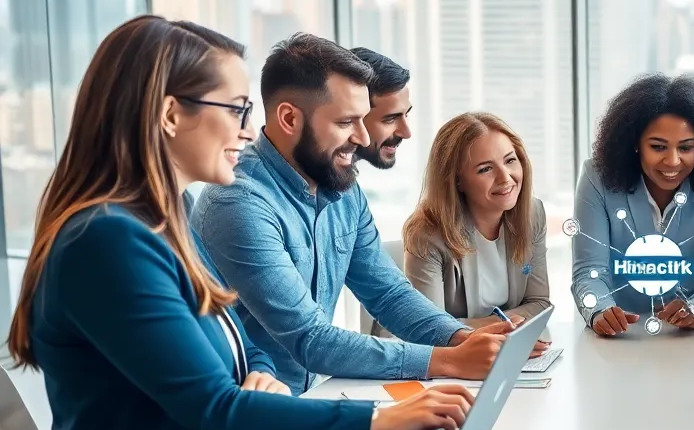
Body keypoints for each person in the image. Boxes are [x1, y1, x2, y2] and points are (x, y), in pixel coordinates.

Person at [5, 16, 475, 430]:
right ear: (169, 115)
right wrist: (383, 420)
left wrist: (263, 377)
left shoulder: (168, 216)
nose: (249, 130)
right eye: (236, 110)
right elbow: (216, 411)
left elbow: (245, 342)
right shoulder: (107, 240)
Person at [191, 33, 505, 394]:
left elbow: (388, 294)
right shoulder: (239, 203)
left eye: (362, 120)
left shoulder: (343, 189)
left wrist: (463, 339)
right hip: (256, 416)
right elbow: (309, 338)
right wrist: (449, 360)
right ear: (289, 119)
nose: (362, 137)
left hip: (312, 399)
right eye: (345, 123)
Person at [571, 73, 694, 336]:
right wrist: (600, 310)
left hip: (689, 339)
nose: (672, 161)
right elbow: (589, 270)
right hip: (619, 339)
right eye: (658, 147)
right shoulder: (597, 178)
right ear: (635, 143)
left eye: (686, 148)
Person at [400, 113, 551, 334]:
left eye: (510, 160)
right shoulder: (426, 235)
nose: (505, 178)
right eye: (485, 169)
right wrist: (500, 328)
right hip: (446, 361)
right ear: (457, 181)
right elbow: (429, 330)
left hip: (507, 352)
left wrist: (501, 331)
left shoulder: (532, 214)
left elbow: (539, 303)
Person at [350, 46, 413, 169]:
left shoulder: (347, 183)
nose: (406, 133)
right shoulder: (313, 185)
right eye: (390, 119)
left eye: (406, 114)